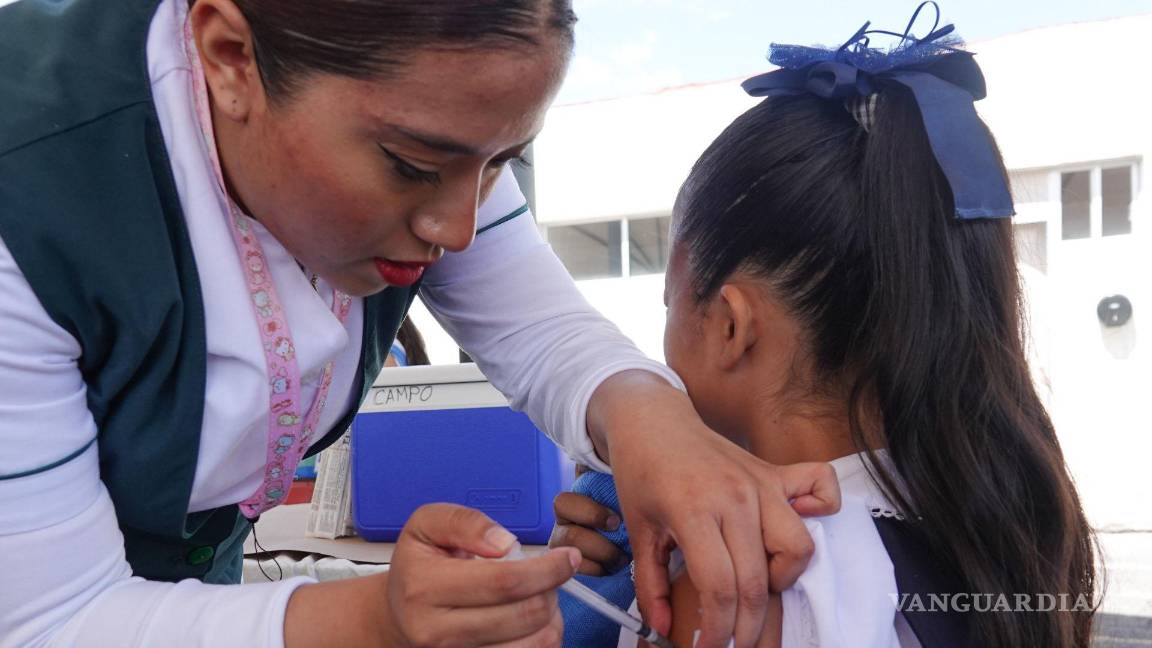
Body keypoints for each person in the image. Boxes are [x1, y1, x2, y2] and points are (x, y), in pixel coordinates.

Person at [0, 0, 841, 646]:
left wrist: (655, 425)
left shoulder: (434, 126)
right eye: (412, 167)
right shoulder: (31, 192)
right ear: (228, 57)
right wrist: (374, 620)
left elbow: (540, 328)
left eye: (500, 165)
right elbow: (51, 621)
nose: (459, 229)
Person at [552, 8, 1097, 647]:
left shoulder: (742, 580)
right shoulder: (989, 525)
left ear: (730, 324)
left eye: (669, 301)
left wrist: (578, 610)